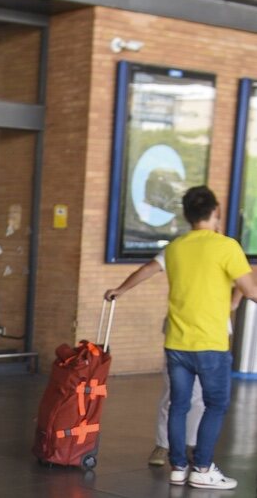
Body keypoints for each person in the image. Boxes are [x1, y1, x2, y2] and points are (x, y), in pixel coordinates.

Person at [144, 186, 257, 490]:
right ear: (215, 211)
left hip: (177, 343)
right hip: (210, 344)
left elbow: (148, 269)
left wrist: (119, 290)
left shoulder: (176, 246)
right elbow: (251, 291)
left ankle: (179, 467)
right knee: (216, 404)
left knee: (179, 405)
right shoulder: (226, 246)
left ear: (186, 214)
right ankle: (203, 468)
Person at [104, 252, 206, 467]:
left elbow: (244, 283)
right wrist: (121, 290)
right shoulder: (180, 248)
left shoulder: (224, 249)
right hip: (180, 333)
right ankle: (164, 444)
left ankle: (190, 443)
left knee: (198, 396)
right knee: (176, 393)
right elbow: (149, 269)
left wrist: (234, 302)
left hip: (211, 334)